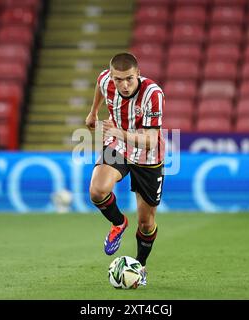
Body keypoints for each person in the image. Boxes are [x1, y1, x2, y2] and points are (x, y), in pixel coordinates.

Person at [85, 52, 165, 286]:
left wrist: (118, 132)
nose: (124, 84)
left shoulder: (153, 94)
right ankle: (118, 222)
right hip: (118, 145)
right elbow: (100, 86)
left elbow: (151, 140)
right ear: (112, 76)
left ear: (138, 74)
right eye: (118, 80)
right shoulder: (106, 80)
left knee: (146, 223)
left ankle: (140, 265)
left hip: (148, 156)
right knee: (97, 191)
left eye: (129, 78)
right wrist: (93, 112)